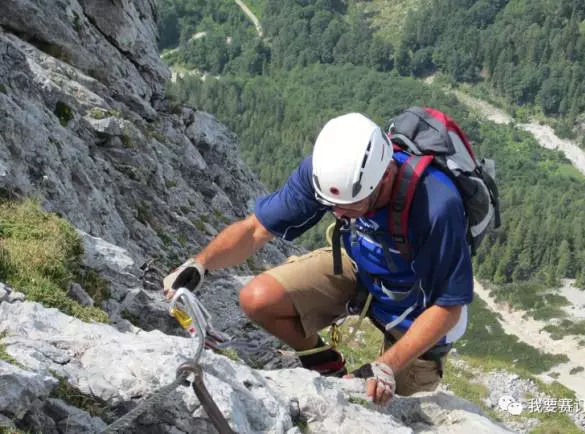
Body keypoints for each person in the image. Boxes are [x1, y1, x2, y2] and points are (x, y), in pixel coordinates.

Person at [164, 112, 474, 406]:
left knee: (385, 404)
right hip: (360, 265)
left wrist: (385, 366)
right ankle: (324, 363)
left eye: (351, 206)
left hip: (418, 308)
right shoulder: (328, 173)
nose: (338, 213)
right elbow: (255, 229)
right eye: (332, 205)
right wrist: (199, 264)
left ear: (382, 178)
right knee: (258, 299)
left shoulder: (436, 205)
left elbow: (448, 306)